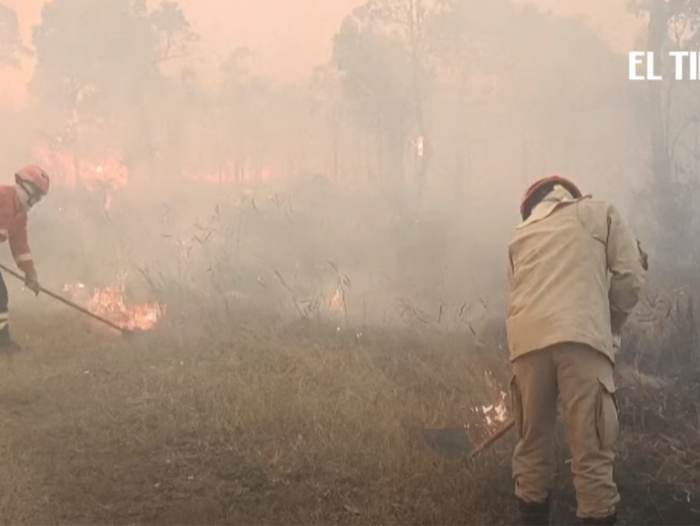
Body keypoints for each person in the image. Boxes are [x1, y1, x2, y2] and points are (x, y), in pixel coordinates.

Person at [506, 175, 646, 526]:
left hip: (526, 346)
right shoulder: (600, 212)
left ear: (532, 207)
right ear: (570, 194)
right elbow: (631, 277)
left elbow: (516, 295)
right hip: (582, 342)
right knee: (591, 455)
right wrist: (608, 326)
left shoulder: (520, 235)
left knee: (532, 450)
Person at [0, 165, 50, 354]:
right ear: (24, 185)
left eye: (40, 197)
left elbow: (20, 248)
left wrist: (31, 274)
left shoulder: (20, 216)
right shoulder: (2, 195)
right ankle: (2, 344)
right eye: (36, 193)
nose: (36, 200)